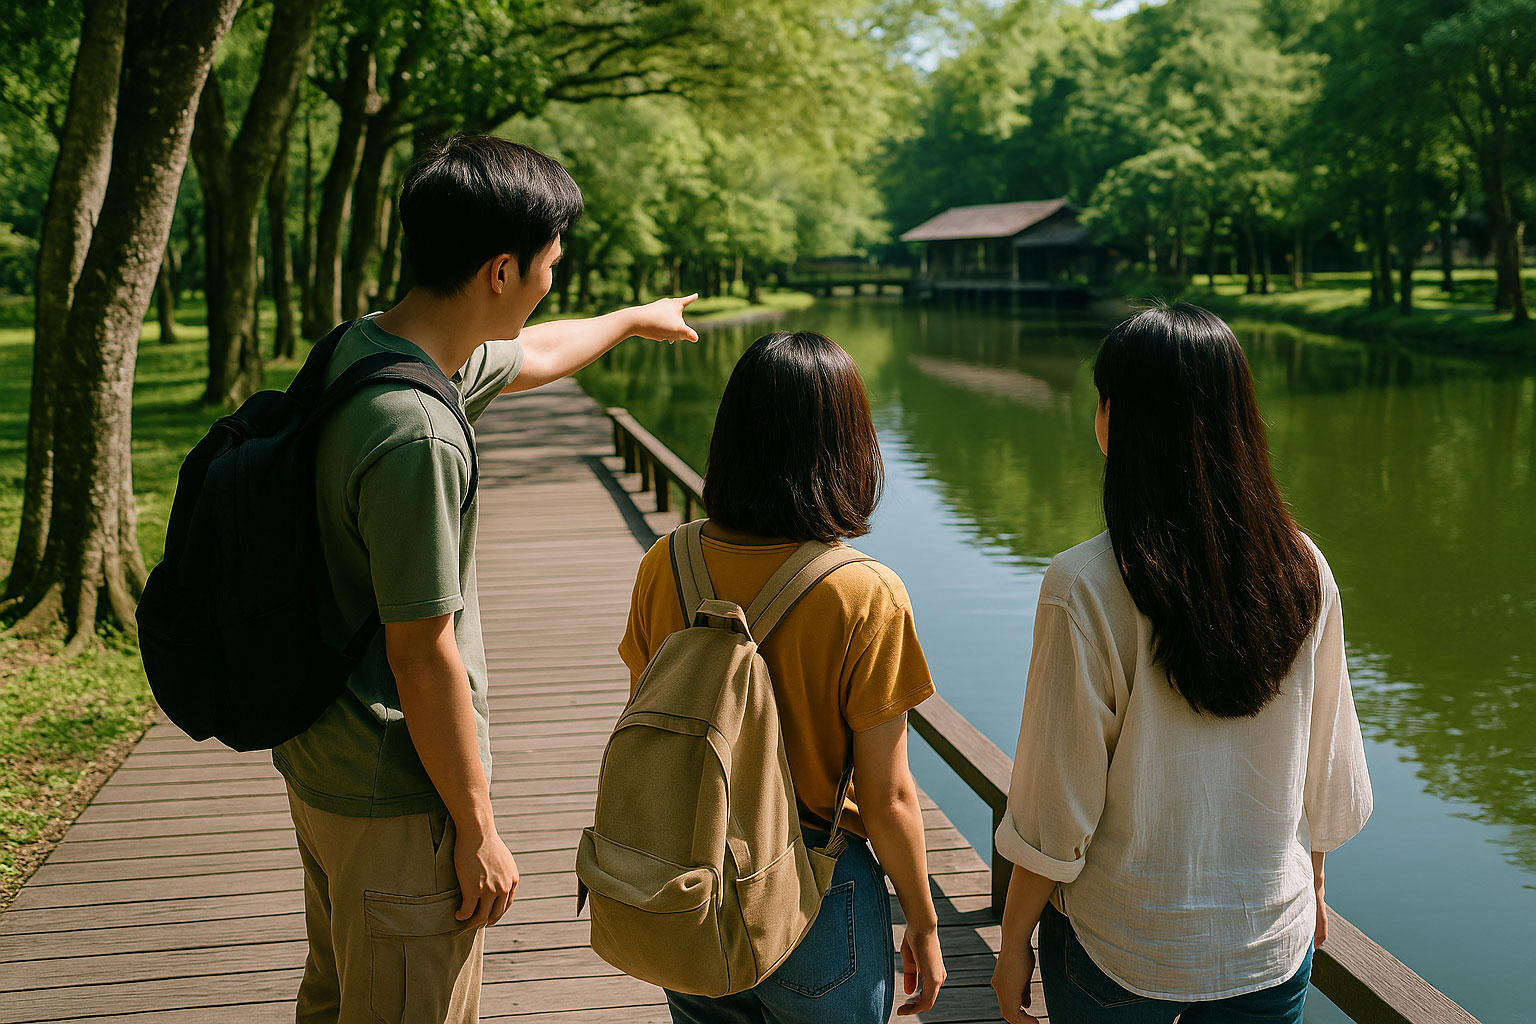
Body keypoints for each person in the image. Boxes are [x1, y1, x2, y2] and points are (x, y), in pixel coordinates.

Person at [273, 133, 698, 1024]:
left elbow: (539, 354)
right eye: (551, 261)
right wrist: (477, 828)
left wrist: (633, 317)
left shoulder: (372, 350)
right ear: (501, 271)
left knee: (339, 998)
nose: (556, 277)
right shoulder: (416, 432)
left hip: (328, 761)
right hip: (397, 790)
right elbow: (422, 651)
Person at [989, 303, 1373, 1024]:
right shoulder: (1303, 567)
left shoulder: (1085, 584)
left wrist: (1013, 943)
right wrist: (1315, 884)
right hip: (1266, 941)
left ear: (1117, 422)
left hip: (1121, 943)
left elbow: (1053, 805)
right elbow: (1328, 763)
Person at [618, 331, 947, 1023]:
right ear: (849, 445)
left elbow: (658, 735)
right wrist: (923, 919)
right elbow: (887, 798)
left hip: (692, 878)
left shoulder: (665, 563)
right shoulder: (863, 592)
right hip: (817, 890)